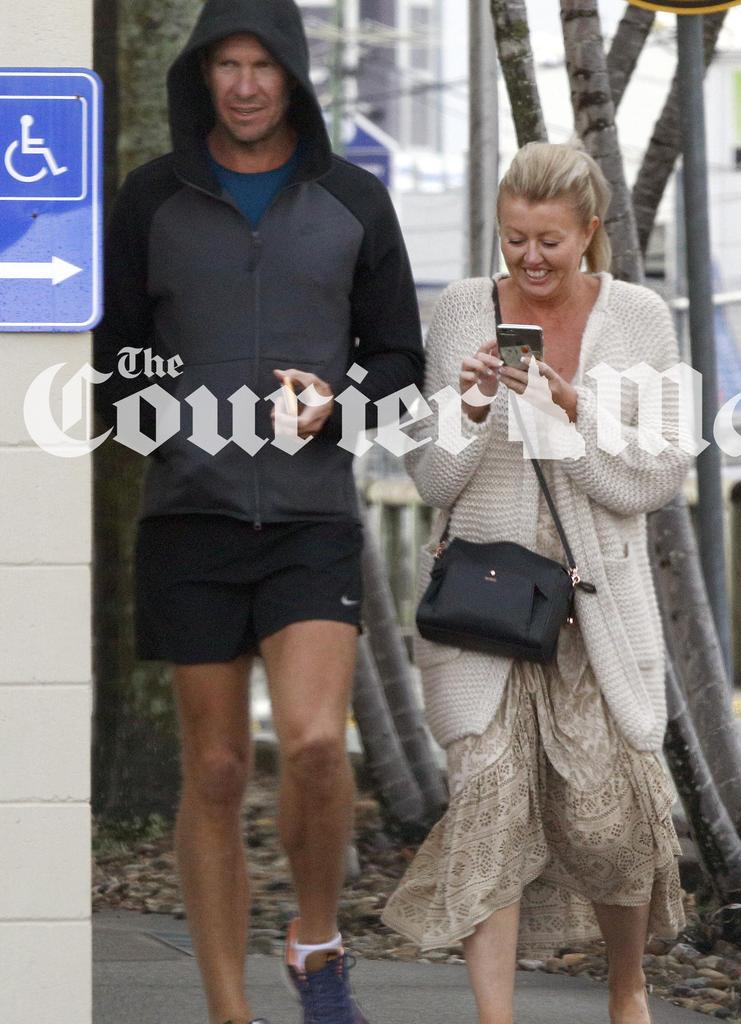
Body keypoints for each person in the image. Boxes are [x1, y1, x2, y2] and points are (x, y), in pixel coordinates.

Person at [93, 2, 424, 1023]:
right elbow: (112, 361)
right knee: (219, 766)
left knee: (320, 744)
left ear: (294, 77)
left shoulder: (353, 199)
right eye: (225, 65)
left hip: (307, 514)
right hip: (188, 518)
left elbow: (401, 364)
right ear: (201, 75)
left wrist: (340, 406)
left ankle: (315, 940)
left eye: (262, 65)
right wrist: (169, 417)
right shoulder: (150, 198)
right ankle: (228, 1007)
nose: (243, 84)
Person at [382, 142, 690, 1024]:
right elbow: (433, 479)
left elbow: (655, 475)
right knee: (487, 805)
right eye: (515, 239)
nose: (529, 259)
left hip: (595, 607)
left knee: (609, 818)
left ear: (590, 232)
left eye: (549, 241)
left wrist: (573, 408)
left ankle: (626, 991)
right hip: (483, 604)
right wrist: (474, 407)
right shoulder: (459, 312)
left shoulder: (638, 317)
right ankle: (496, 1017)